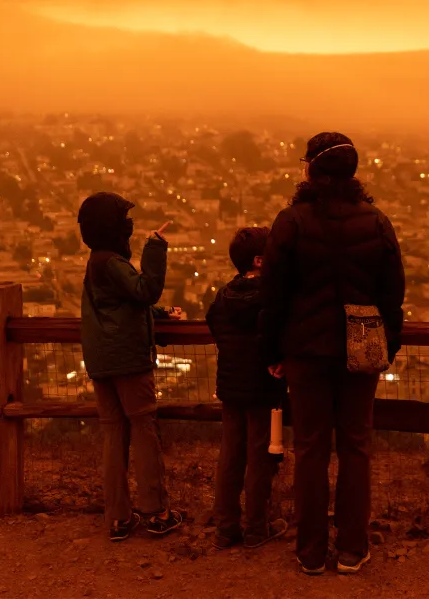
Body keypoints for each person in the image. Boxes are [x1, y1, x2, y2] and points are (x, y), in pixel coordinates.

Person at [259, 132, 406, 575]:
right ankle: (352, 547)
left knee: (311, 449)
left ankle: (310, 550)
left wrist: (273, 350)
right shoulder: (376, 222)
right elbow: (392, 294)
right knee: (356, 446)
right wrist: (387, 345)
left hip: (305, 350)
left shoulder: (291, 222)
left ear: (311, 169)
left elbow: (273, 295)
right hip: (362, 348)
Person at [77, 191, 186, 542]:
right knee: (143, 429)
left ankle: (118, 517)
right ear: (112, 226)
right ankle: (156, 511)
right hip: (127, 358)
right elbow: (145, 290)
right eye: (123, 219)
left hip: (101, 360)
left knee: (113, 434)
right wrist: (155, 248)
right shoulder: (111, 261)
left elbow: (118, 304)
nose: (129, 225)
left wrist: (159, 316)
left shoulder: (95, 261)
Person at [206, 226, 290, 549]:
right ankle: (256, 528)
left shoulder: (222, 297)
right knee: (259, 459)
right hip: (264, 388)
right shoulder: (272, 298)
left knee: (230, 456)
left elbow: (216, 328)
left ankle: (225, 527)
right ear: (259, 260)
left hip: (230, 386)